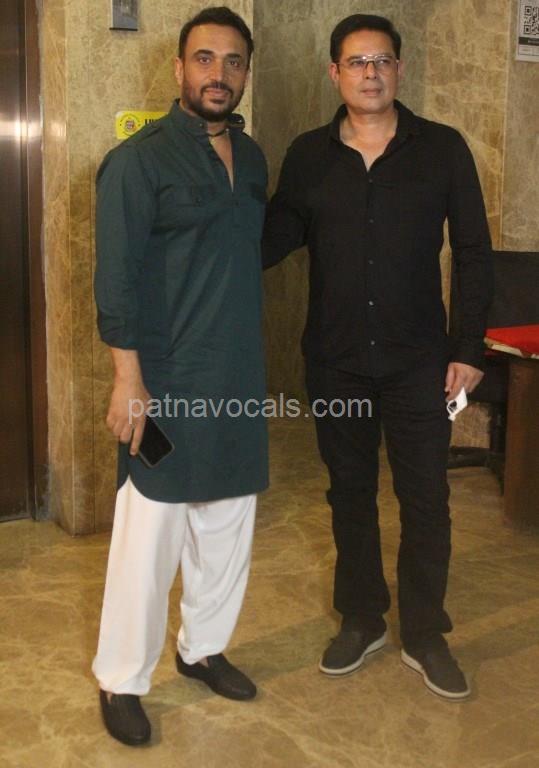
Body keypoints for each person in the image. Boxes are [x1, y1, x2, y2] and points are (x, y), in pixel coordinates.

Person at [262, 14, 492, 701]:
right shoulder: (308, 155)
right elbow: (271, 238)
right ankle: (362, 618)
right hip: (335, 361)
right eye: (357, 62)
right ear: (334, 72)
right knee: (349, 494)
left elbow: (473, 253)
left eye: (382, 61)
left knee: (426, 498)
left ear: (399, 70)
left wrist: (469, 349)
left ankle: (424, 632)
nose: (370, 73)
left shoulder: (442, 148)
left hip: (422, 362)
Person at [92, 6, 268, 746]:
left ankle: (202, 649)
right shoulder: (138, 161)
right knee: (150, 534)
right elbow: (116, 280)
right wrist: (126, 380)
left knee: (227, 524)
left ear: (245, 73)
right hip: (163, 383)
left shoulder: (252, 159)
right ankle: (120, 678)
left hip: (237, 377)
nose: (218, 74)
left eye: (232, 61)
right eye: (204, 59)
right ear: (178, 68)